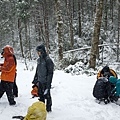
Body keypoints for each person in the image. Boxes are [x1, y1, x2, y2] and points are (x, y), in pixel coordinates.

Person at [32, 44, 54, 112]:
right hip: (40, 81)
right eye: (37, 52)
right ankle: (42, 108)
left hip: (45, 81)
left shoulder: (48, 60)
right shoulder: (39, 60)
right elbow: (37, 70)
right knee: (41, 95)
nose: (37, 53)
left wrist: (48, 84)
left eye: (38, 51)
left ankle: (48, 109)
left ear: (42, 51)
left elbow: (50, 73)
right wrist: (35, 79)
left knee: (47, 96)